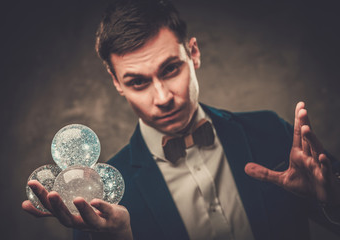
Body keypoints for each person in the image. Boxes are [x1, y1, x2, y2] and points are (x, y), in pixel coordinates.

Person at [22, 0, 340, 239]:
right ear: (116, 82)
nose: (162, 98)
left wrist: (332, 200)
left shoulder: (271, 131)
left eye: (170, 69)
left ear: (194, 53)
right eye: (137, 82)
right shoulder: (99, 197)